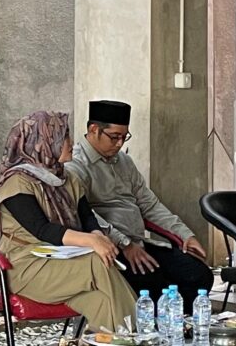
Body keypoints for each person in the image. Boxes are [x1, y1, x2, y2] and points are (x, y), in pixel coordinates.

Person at [68, 100, 212, 314]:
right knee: (155, 287)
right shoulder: (75, 165)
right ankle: (157, 328)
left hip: (139, 243)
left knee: (199, 275)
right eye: (114, 137)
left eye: (124, 137)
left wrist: (185, 234)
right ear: (94, 130)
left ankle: (182, 327)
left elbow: (149, 204)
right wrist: (125, 244)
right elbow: (86, 216)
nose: (119, 144)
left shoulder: (124, 161)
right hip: (109, 248)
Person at [0, 111, 136, 331]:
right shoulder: (16, 182)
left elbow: (86, 216)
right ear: (43, 142)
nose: (71, 143)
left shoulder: (66, 177)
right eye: (64, 137)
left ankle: (114, 338)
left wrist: (97, 235)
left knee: (102, 302)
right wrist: (92, 242)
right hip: (25, 266)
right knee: (98, 261)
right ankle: (140, 333)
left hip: (65, 260)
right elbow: (42, 229)